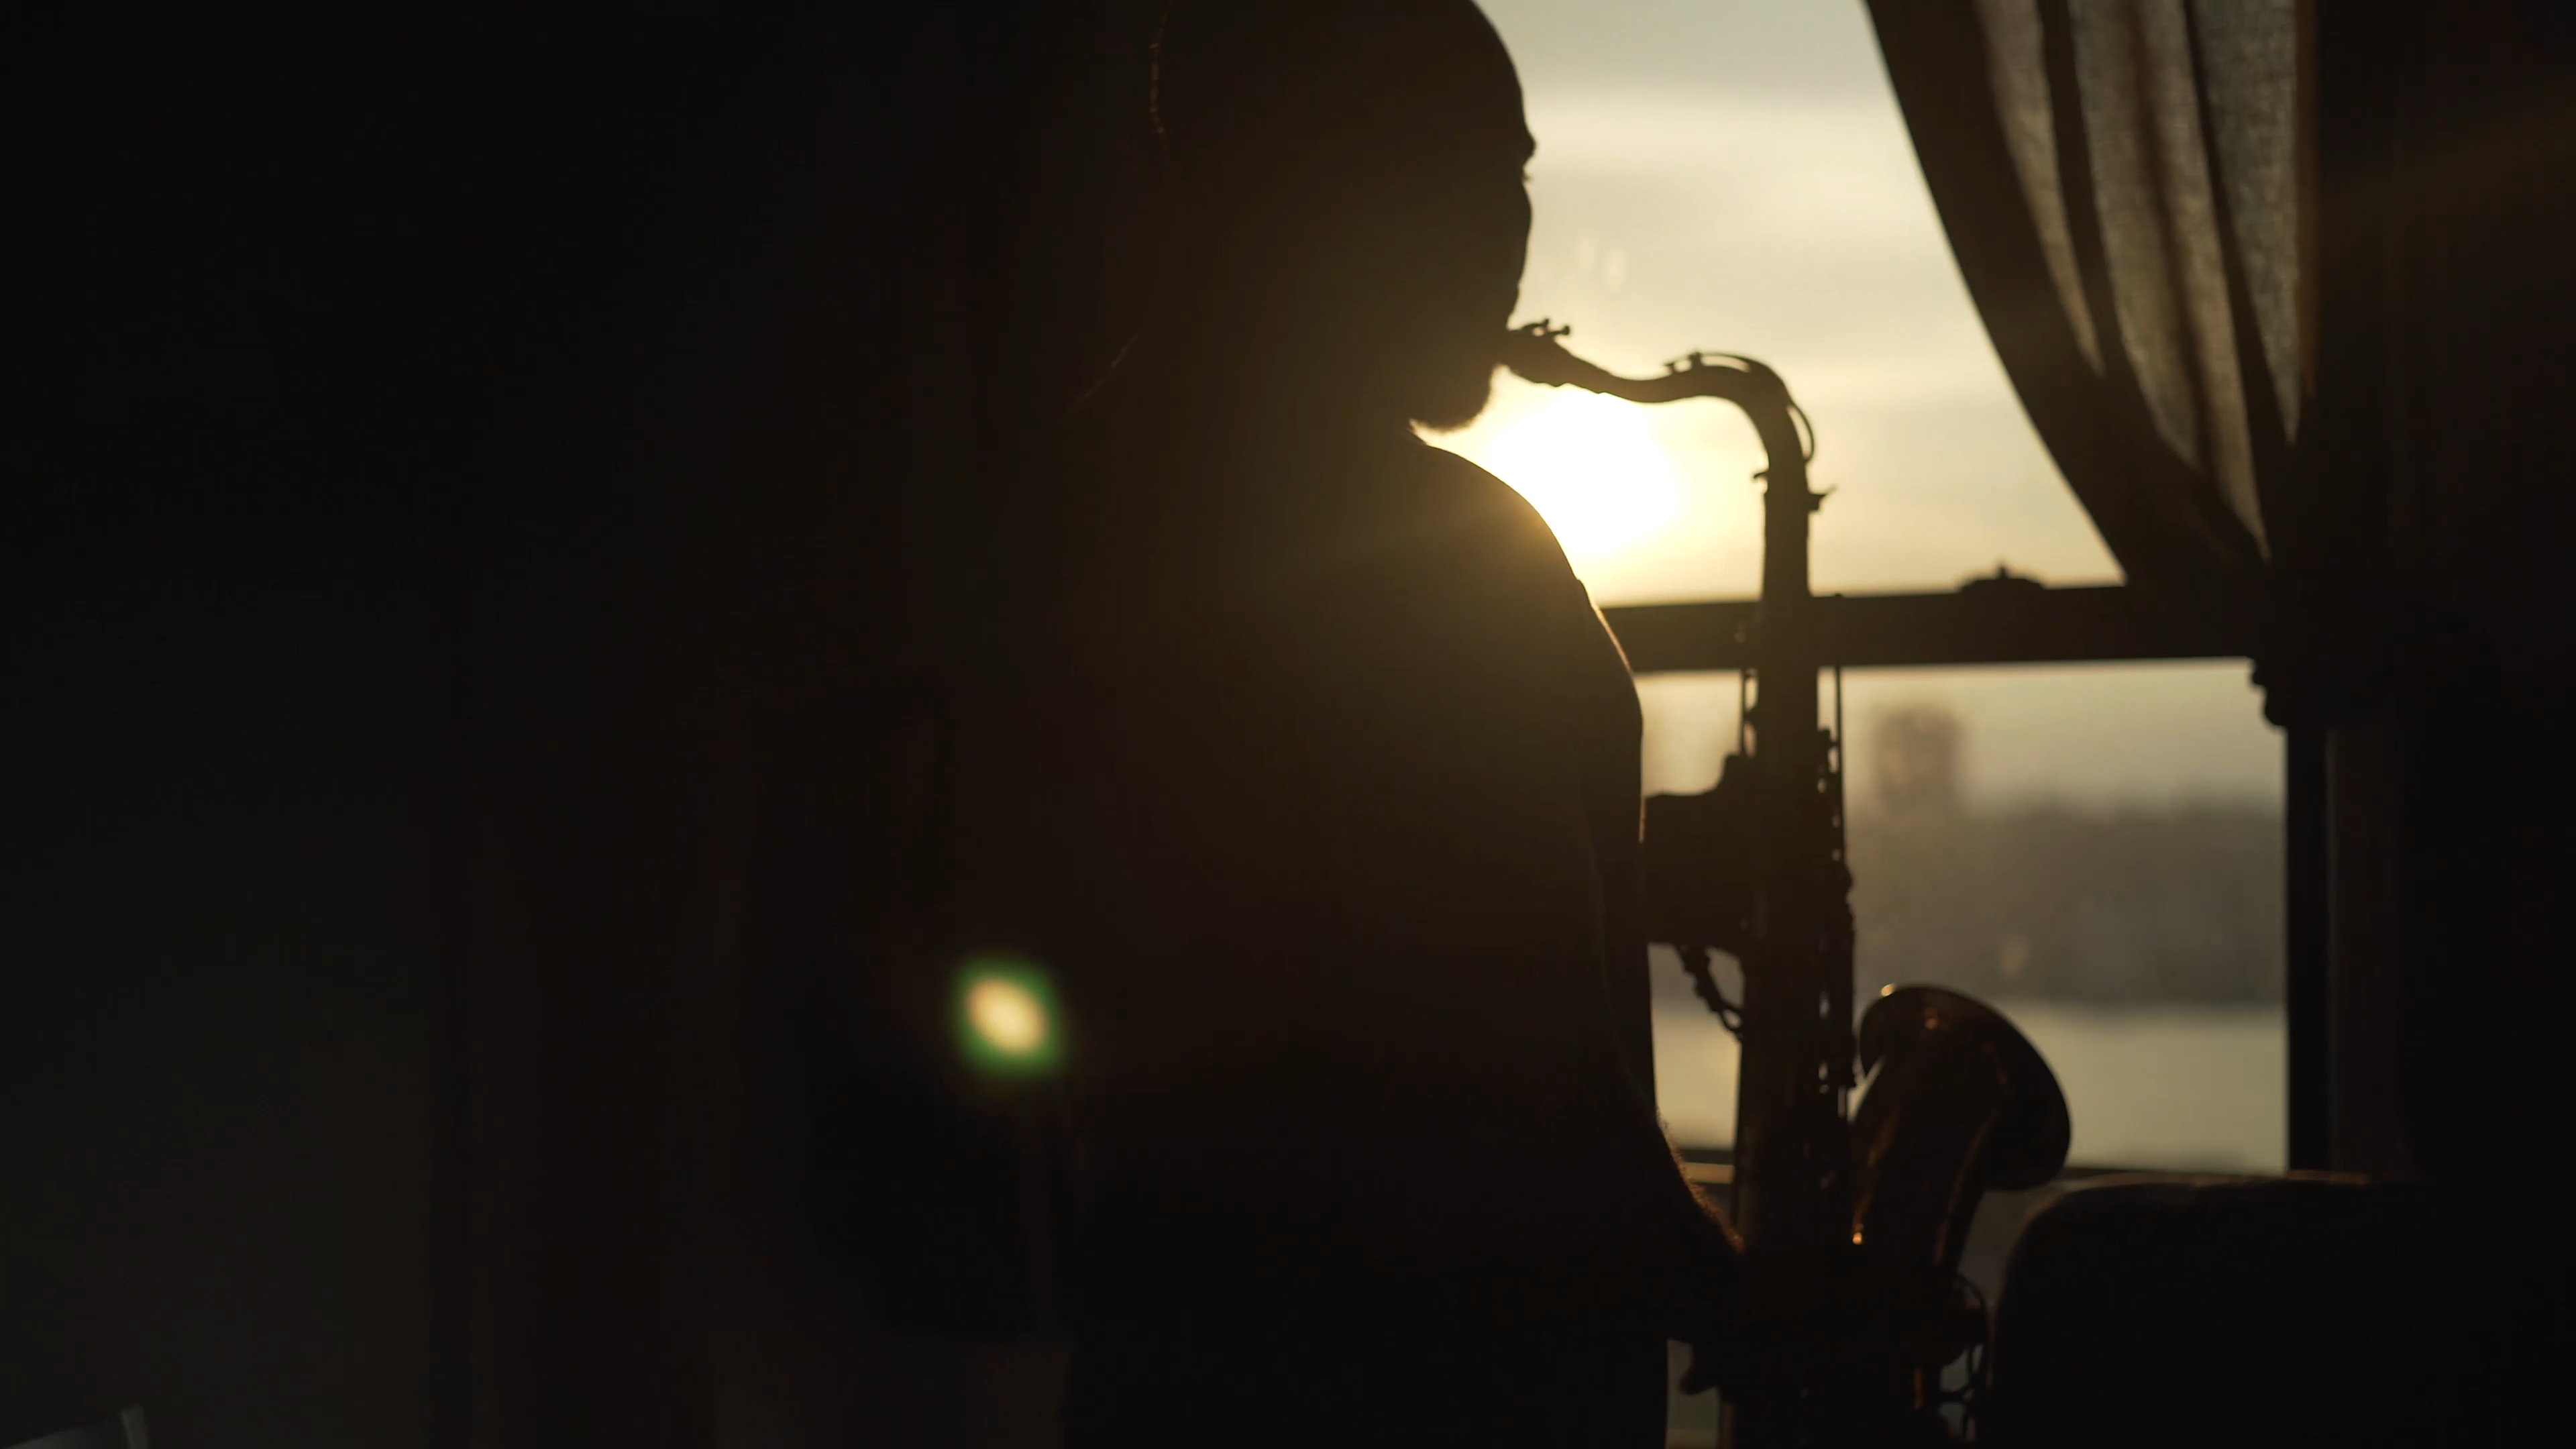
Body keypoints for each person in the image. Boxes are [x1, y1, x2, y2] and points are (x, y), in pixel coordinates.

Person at [959, 1, 1750, 1440]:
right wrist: (1745, 1292)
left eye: (1518, 178)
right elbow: (1510, 1063)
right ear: (1315, 187)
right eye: (1469, 174)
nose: (1511, 236)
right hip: (1457, 1384)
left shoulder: (1066, 506)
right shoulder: (1445, 554)